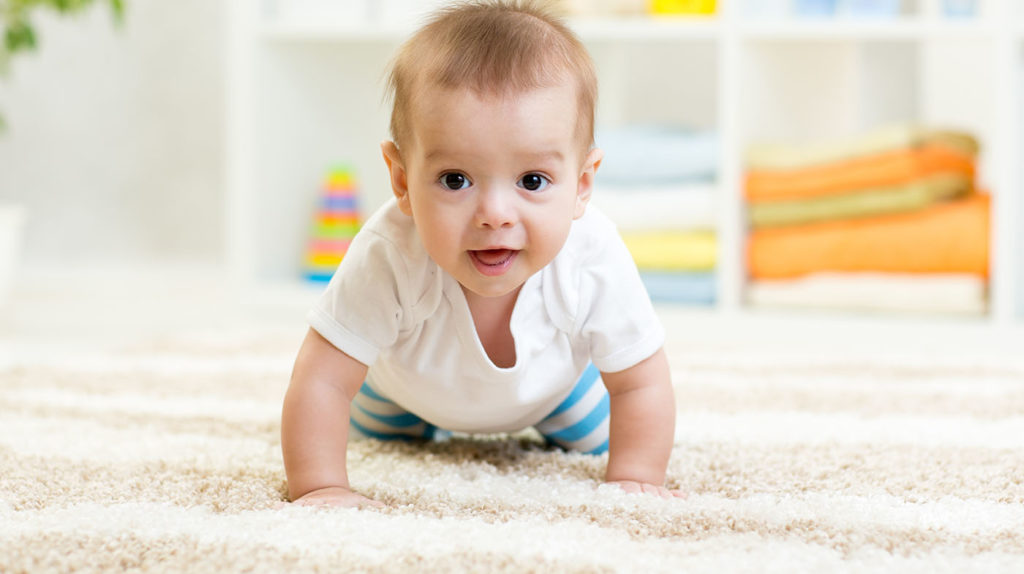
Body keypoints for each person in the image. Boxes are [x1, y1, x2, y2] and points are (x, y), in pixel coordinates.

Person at [281, 0, 681, 508]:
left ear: (582, 184)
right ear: (402, 180)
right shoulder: (388, 253)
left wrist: (637, 478)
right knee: (372, 433)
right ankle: (399, 427)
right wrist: (321, 486)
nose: (495, 214)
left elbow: (640, 382)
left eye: (532, 181)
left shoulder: (592, 254)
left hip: (555, 394)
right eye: (455, 180)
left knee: (609, 438)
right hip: (403, 394)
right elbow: (322, 380)